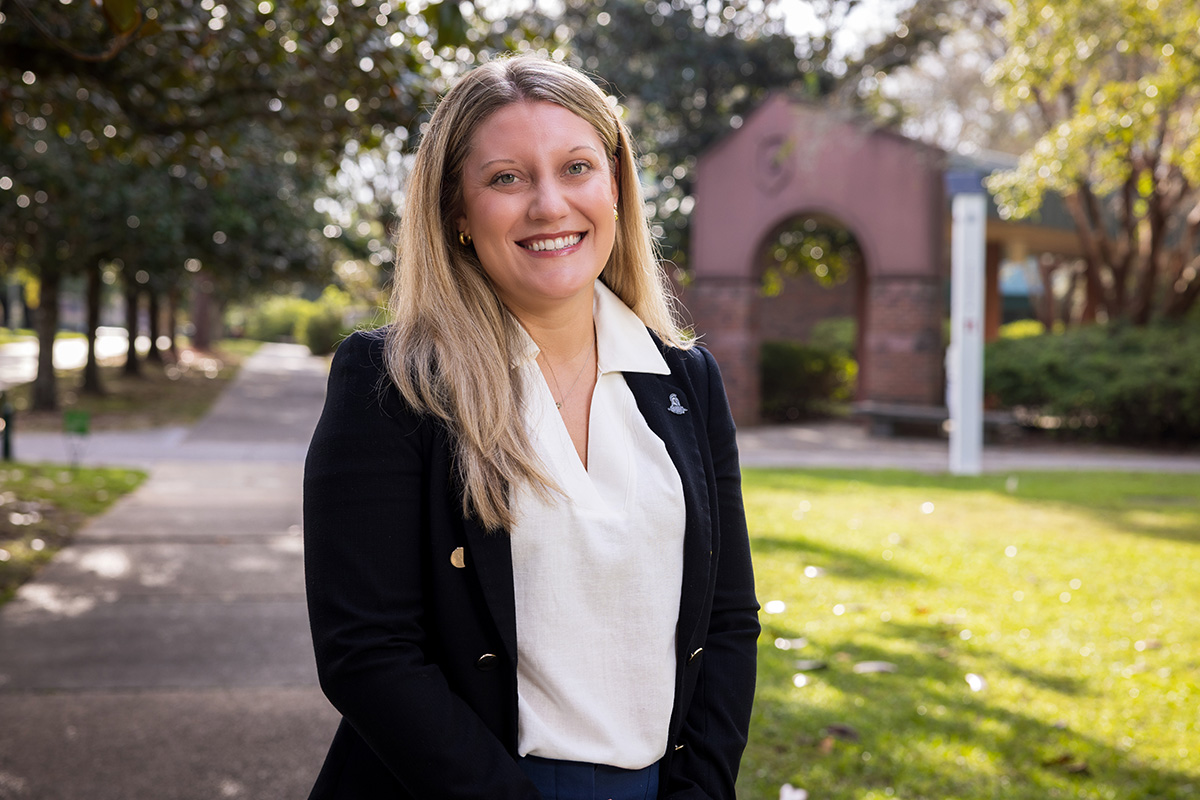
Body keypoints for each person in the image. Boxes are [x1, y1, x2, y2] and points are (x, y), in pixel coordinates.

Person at [303, 53, 759, 800]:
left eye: (577, 167)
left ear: (616, 186)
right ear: (456, 211)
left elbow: (730, 620)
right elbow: (368, 654)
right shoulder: (394, 383)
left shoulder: (687, 383)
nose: (550, 205)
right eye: (507, 178)